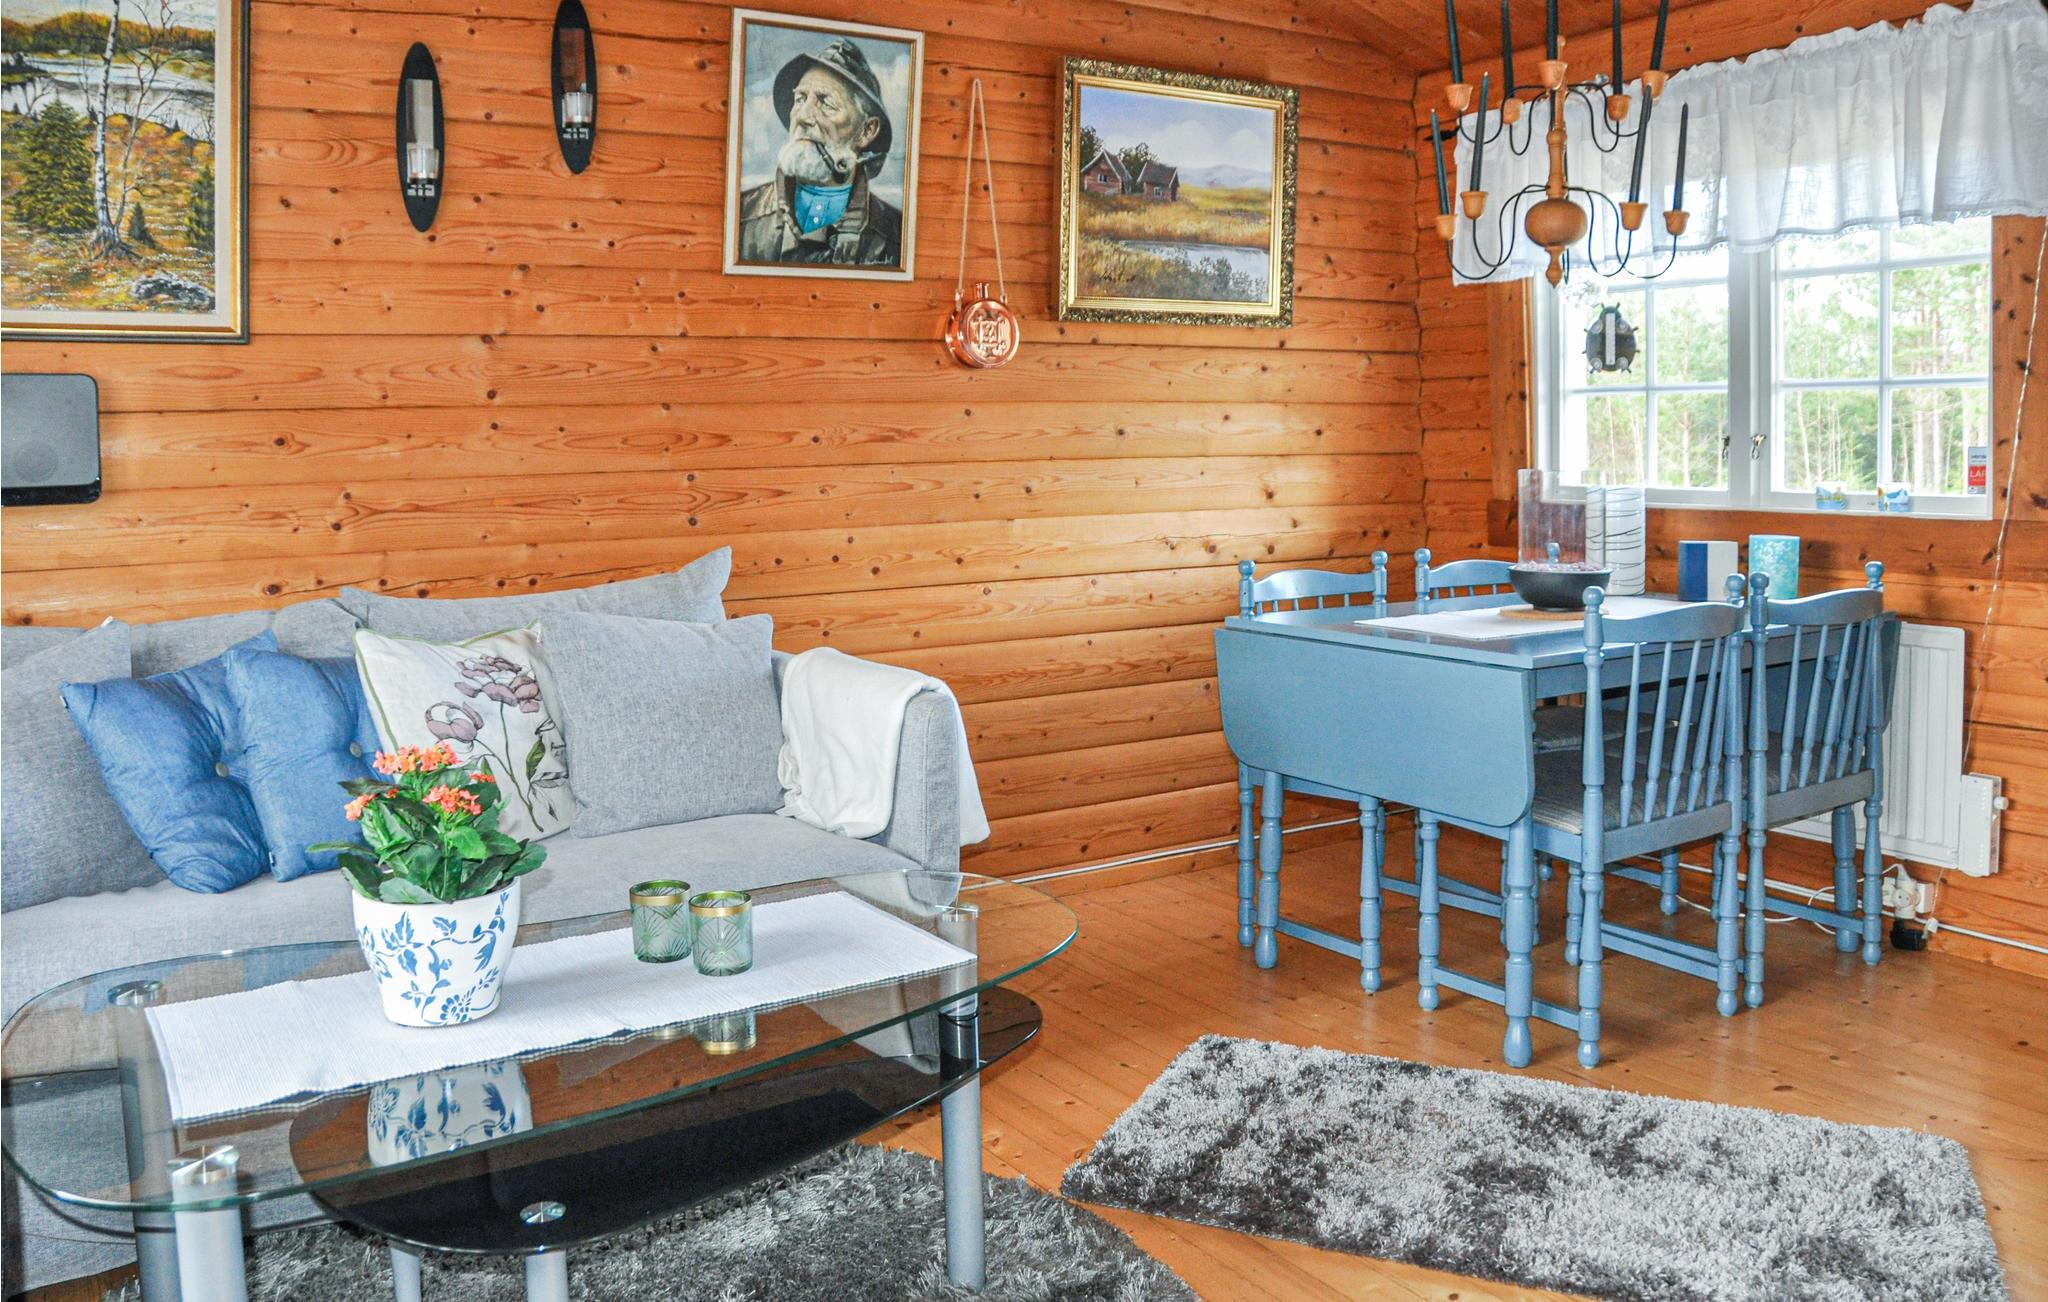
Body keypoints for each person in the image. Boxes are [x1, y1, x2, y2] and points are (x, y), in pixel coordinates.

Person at [734, 38, 903, 268]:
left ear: (866, 131)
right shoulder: (742, 215)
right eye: (800, 99)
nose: (803, 116)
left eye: (825, 102)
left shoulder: (895, 234)